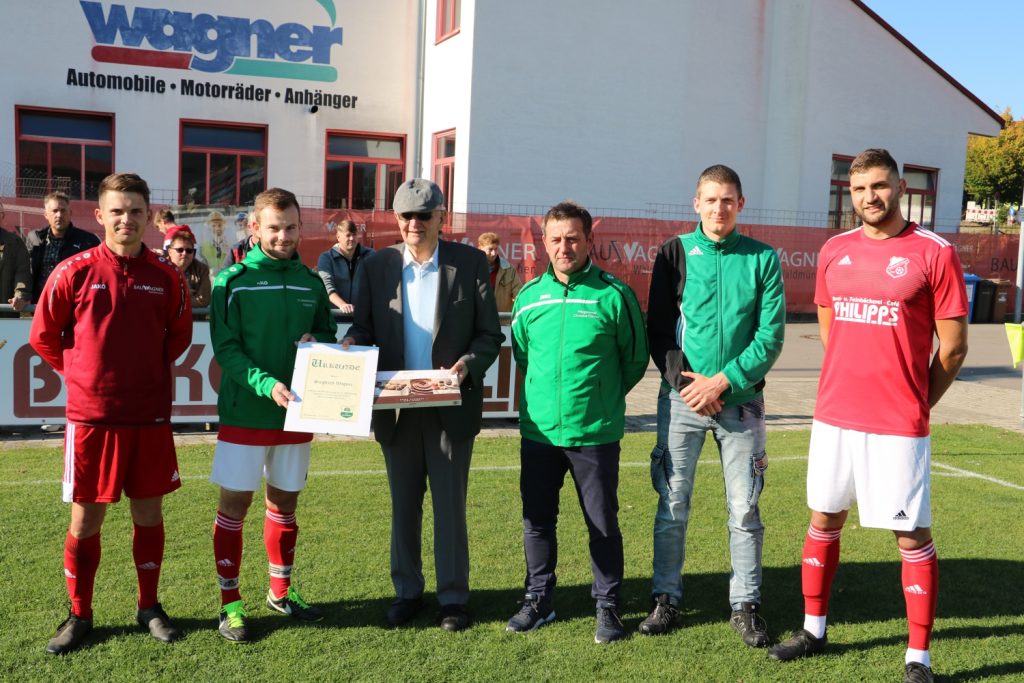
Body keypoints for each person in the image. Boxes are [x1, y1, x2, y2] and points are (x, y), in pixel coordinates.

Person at [768, 149, 968, 683]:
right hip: (835, 416)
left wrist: (915, 400)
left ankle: (918, 657)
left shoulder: (935, 253)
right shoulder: (835, 250)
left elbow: (953, 349)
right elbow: (830, 328)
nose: (868, 197)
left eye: (878, 186)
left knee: (911, 536)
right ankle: (813, 630)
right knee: (823, 518)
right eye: (858, 189)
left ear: (900, 187)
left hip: (897, 424)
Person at [28, 172, 193, 655]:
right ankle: (79, 614)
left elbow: (178, 337)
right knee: (85, 521)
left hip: (149, 416)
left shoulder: (166, 275)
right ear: (100, 215)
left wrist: (143, 375)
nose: (126, 219)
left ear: (148, 215)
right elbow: (43, 335)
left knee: (149, 513)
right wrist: (82, 374)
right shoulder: (74, 270)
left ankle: (149, 606)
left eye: (135, 211)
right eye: (117, 211)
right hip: (91, 419)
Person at [343, 179, 502, 632]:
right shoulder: (376, 266)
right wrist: (351, 342)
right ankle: (407, 592)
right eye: (406, 216)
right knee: (403, 507)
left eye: (424, 215)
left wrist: (468, 364)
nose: (414, 223)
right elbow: (364, 328)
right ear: (396, 219)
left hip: (451, 407)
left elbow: (489, 335)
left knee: (450, 508)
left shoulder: (470, 263)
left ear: (441, 217)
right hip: (395, 409)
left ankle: (453, 598)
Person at [638, 165, 785, 646]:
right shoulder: (674, 252)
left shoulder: (762, 258)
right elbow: (659, 330)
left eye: (727, 200)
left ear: (740, 204)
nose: (719, 208)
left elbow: (770, 337)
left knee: (744, 509)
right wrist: (688, 386)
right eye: (710, 199)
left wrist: (722, 382)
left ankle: (745, 605)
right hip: (682, 401)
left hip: (742, 403)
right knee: (672, 504)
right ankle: (666, 598)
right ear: (696, 203)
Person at [506, 200, 648, 644]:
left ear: (589, 240)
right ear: (544, 242)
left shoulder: (614, 295)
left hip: (594, 434)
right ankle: (539, 600)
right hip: (540, 433)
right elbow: (524, 355)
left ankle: (607, 606)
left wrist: (600, 398)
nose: (563, 247)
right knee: (537, 520)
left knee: (601, 523)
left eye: (572, 238)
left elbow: (634, 360)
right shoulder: (529, 298)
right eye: (556, 239)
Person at [208, 188, 337, 643]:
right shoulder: (233, 281)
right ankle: (230, 603)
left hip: (297, 414)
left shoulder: (311, 282)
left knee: (285, 503)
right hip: (246, 413)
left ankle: (280, 592)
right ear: (255, 228)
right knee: (234, 506)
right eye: (274, 228)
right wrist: (266, 384)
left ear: (301, 227)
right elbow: (226, 349)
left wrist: (319, 342)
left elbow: (326, 332)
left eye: (291, 227)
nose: (283, 236)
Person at [25, 191, 100, 302]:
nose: (59, 215)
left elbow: (97, 276)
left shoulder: (88, 241)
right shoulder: (34, 238)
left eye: (63, 210)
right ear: (46, 215)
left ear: (70, 213)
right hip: (39, 303)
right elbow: (25, 271)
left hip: (73, 304)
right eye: (55, 211)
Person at [317, 219, 375, 313]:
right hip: (335, 316)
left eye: (354, 235)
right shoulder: (326, 258)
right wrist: (342, 305)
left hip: (362, 316)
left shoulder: (370, 255)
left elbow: (377, 284)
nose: (352, 238)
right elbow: (327, 288)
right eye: (348, 235)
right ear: (338, 237)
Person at [165, 226, 211, 308]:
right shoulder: (160, 268)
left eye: (189, 251)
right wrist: (184, 293)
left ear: (193, 253)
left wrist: (174, 297)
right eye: (180, 250)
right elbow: (159, 298)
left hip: (193, 316)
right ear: (170, 252)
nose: (184, 253)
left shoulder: (202, 269)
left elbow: (203, 300)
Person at [476, 232, 522, 312]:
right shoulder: (472, 268)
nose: (494, 253)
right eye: (490, 249)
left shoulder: (509, 269)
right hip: (476, 317)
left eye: (496, 249)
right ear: (480, 248)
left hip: (501, 318)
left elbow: (518, 294)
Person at [0, 202, 31, 313]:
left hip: (4, 314)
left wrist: (20, 296)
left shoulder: (14, 242)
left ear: (2, 216)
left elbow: (22, 273)